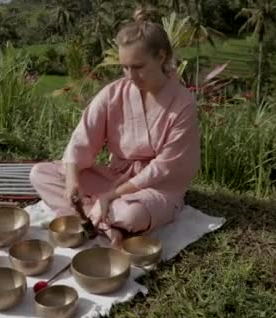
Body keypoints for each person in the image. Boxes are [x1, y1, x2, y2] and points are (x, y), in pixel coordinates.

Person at [29, 8, 201, 248]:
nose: (130, 76)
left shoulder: (183, 104)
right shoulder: (113, 93)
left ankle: (98, 217)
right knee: (40, 174)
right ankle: (106, 223)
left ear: (161, 57)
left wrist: (111, 196)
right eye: (124, 67)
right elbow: (82, 139)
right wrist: (72, 182)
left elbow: (165, 167)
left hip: (155, 189)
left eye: (138, 67)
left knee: (130, 215)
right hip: (114, 177)